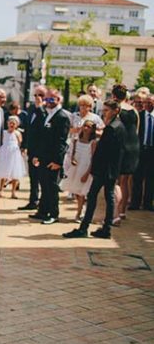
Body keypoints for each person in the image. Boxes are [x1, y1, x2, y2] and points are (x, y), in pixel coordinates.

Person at [64, 100, 125, 239]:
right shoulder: (119, 126)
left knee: (94, 197)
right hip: (111, 169)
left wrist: (93, 170)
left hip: (104, 170)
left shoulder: (112, 128)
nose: (104, 114)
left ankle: (87, 228)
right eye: (103, 111)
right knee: (104, 197)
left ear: (115, 110)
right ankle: (104, 228)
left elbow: (104, 152)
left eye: (107, 111)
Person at [29, 88, 70, 225]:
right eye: (46, 99)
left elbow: (61, 141)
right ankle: (42, 211)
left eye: (51, 99)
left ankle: (54, 213)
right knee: (44, 185)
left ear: (58, 100)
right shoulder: (48, 114)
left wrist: (58, 161)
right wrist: (36, 155)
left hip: (53, 159)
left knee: (51, 187)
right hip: (44, 157)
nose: (47, 102)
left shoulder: (62, 116)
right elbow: (42, 138)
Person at [60, 120, 98, 222]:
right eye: (84, 126)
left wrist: (87, 173)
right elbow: (72, 153)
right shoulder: (76, 140)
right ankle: (80, 210)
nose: (86, 128)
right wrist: (72, 160)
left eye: (89, 127)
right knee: (77, 191)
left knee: (83, 192)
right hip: (76, 168)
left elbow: (93, 159)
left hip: (85, 168)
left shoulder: (93, 142)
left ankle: (80, 213)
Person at [111, 84, 140, 221]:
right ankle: (122, 212)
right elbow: (137, 130)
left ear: (114, 96)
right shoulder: (134, 110)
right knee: (126, 181)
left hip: (120, 147)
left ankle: (115, 212)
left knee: (116, 181)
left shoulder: (116, 109)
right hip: (134, 146)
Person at [18, 86, 46, 211]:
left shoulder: (44, 109)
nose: (37, 98)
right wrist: (24, 145)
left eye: (40, 95)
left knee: (41, 177)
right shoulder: (31, 109)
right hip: (32, 148)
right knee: (33, 176)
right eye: (35, 95)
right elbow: (28, 129)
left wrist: (40, 107)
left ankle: (43, 202)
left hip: (42, 148)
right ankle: (33, 200)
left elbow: (44, 123)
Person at [131, 93, 154, 211]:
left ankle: (148, 203)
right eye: (145, 102)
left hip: (152, 151)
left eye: (150, 102)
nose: (147, 104)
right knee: (137, 177)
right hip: (140, 150)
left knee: (151, 178)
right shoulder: (139, 116)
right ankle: (135, 203)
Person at [0, 115, 26, 199]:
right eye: (10, 123)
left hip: (14, 154)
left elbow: (20, 143)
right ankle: (0, 190)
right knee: (3, 173)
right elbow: (1, 142)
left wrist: (21, 151)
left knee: (14, 174)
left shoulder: (17, 133)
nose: (12, 125)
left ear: (16, 125)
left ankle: (13, 192)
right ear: (7, 123)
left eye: (14, 123)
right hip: (5, 154)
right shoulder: (4, 133)